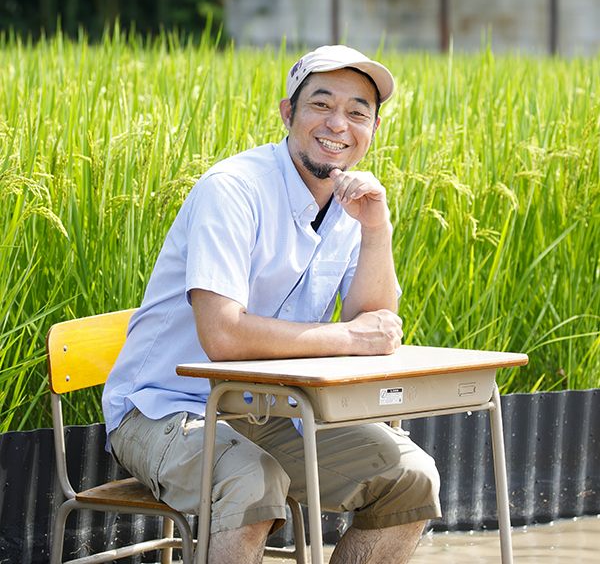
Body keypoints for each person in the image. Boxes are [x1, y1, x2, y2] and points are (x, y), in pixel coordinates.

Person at [102, 45, 441, 563]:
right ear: (288, 113)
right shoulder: (233, 190)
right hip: (165, 406)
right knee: (252, 480)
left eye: (357, 113)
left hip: (267, 407)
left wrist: (376, 230)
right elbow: (223, 336)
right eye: (321, 105)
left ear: (373, 130)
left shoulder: (351, 203)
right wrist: (349, 339)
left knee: (411, 479)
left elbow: (373, 322)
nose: (338, 125)